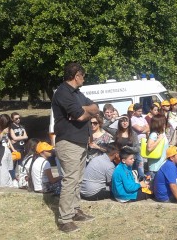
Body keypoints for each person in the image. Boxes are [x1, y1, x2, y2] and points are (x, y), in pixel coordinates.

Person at [51, 62, 99, 233]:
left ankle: (75, 210)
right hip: (69, 142)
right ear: (77, 75)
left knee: (78, 180)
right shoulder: (62, 92)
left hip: (79, 142)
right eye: (83, 76)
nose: (84, 79)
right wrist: (84, 111)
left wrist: (85, 109)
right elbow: (79, 116)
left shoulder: (77, 93)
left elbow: (95, 108)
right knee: (70, 180)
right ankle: (64, 219)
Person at [131, 103, 149, 177]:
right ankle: (141, 176)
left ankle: (144, 174)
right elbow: (138, 129)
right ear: (134, 111)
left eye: (141, 111)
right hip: (137, 143)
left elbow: (148, 128)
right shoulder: (132, 119)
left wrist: (142, 130)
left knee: (145, 159)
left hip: (144, 142)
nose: (140, 113)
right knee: (139, 160)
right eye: (138, 111)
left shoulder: (143, 118)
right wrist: (143, 128)